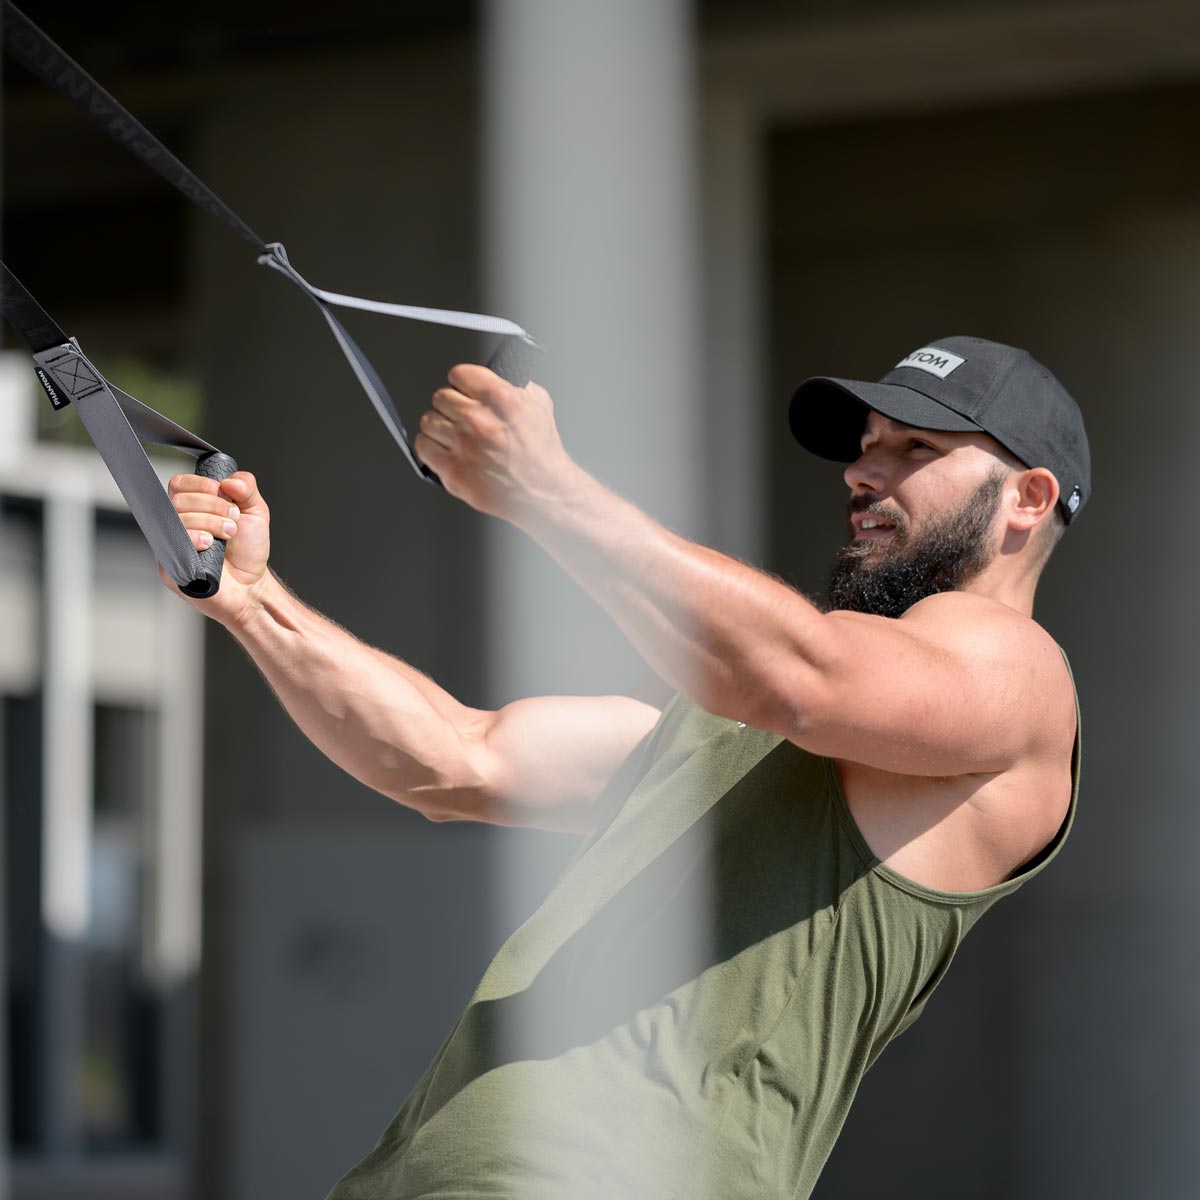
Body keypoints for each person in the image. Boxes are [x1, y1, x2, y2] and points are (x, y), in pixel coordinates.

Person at [161, 334, 1087, 1199]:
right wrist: (251, 603)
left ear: (1028, 499)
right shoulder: (742, 710)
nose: (861, 471)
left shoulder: (1015, 668)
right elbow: (450, 760)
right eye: (867, 444)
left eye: (915, 449)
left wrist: (548, 489)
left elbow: (801, 676)